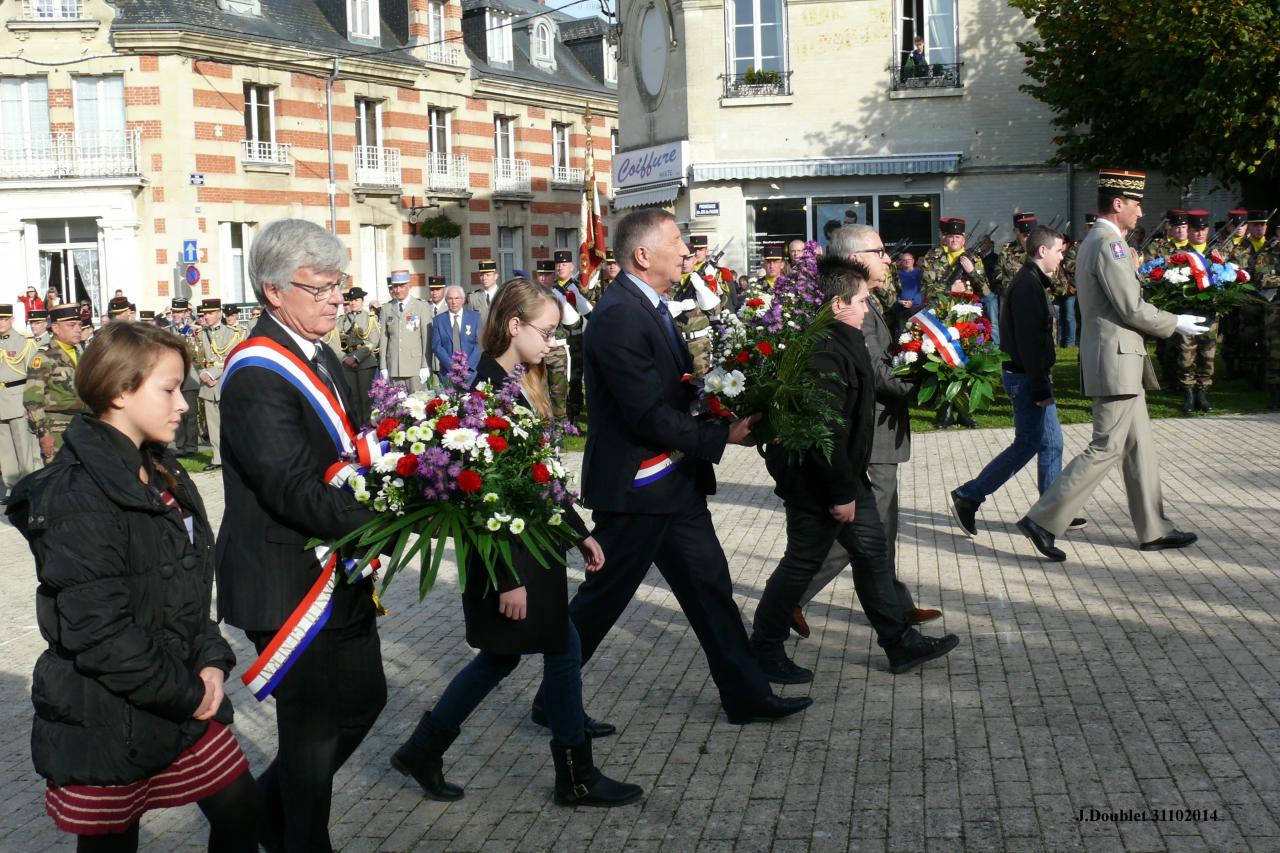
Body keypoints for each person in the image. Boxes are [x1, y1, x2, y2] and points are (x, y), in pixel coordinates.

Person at [529, 209, 812, 728]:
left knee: (711, 590)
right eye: (677, 242)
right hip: (640, 486)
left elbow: (671, 392)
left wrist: (722, 397)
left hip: (673, 484)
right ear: (643, 255)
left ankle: (747, 697)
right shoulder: (618, 315)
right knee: (600, 603)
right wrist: (718, 434)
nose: (686, 251)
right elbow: (644, 413)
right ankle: (554, 702)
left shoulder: (650, 306)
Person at [8, 320, 264, 853]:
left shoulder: (161, 467)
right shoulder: (77, 494)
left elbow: (189, 587)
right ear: (122, 392)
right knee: (111, 844)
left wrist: (212, 659)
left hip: (180, 691)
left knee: (242, 813)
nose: (184, 404)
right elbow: (98, 631)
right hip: (109, 714)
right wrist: (191, 693)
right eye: (168, 390)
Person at [391, 278, 643, 808]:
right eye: (546, 332)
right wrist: (508, 579)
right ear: (514, 326)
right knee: (553, 647)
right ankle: (574, 775)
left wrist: (580, 534)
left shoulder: (521, 382)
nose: (551, 342)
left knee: (514, 655)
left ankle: (424, 748)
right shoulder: (480, 390)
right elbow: (479, 498)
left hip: (534, 547)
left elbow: (540, 477)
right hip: (508, 555)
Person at [217, 219, 387, 852]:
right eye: (318, 288)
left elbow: (346, 453)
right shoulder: (258, 370)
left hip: (338, 563)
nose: (334, 300)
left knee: (365, 700)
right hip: (287, 576)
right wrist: (382, 523)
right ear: (273, 292)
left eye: (338, 286)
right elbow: (287, 484)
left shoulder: (322, 354)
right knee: (311, 736)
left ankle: (251, 826)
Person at [751, 254, 959, 681]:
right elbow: (821, 430)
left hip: (846, 477)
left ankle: (900, 644)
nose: (867, 308)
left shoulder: (842, 341)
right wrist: (840, 494)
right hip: (819, 484)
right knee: (800, 565)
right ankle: (763, 650)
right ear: (837, 305)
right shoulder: (824, 352)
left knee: (872, 552)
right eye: (861, 301)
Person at [1017, 169, 1207, 563]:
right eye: (1136, 203)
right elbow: (1130, 307)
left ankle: (1153, 529)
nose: (1140, 211)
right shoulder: (1109, 244)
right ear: (1118, 204)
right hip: (1116, 361)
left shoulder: (1103, 241)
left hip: (1119, 359)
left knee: (1139, 449)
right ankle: (1043, 519)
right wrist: (1176, 323)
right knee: (1106, 447)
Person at [784, 225, 944, 650]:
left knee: (880, 531)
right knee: (861, 535)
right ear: (856, 260)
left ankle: (896, 608)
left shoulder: (868, 301)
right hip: (870, 439)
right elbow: (876, 376)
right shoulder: (850, 307)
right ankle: (785, 602)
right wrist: (934, 383)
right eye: (880, 251)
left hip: (879, 436)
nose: (888, 258)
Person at [950, 226, 1087, 536]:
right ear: (1042, 252)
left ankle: (1050, 511)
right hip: (1027, 378)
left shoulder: (1033, 282)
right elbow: (1029, 342)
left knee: (1051, 444)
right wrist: (1040, 387)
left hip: (1030, 376)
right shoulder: (1027, 286)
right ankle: (969, 496)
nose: (1062, 256)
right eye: (1059, 251)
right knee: (1029, 443)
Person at [25, 305, 85, 463]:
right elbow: (32, 400)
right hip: (57, 429)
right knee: (59, 479)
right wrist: (44, 434)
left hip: (82, 424)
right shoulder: (44, 357)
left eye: (79, 324)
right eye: (71, 325)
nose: (78, 329)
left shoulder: (80, 352)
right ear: (56, 328)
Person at [1176, 210, 1219, 414]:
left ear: (1208, 230)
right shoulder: (1180, 255)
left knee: (1207, 354)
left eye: (1203, 229)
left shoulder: (1217, 254)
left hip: (1210, 312)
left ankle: (1202, 393)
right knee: (1186, 354)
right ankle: (1188, 394)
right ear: (1190, 231)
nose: (1200, 234)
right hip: (1187, 312)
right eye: (1195, 230)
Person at [195, 298, 246, 471]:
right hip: (208, 386)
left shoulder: (233, 333)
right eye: (204, 313)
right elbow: (197, 358)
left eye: (209, 313)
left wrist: (211, 373)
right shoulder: (201, 334)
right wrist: (202, 373)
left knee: (231, 423)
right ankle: (218, 459)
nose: (206, 316)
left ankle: (236, 457)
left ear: (219, 313)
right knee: (213, 424)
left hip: (225, 383)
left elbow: (230, 358)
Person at [0, 304, 40, 491]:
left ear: (12, 320)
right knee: (5, 450)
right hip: (1, 401)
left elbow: (33, 375)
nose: (1, 322)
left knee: (24, 449)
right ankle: (12, 487)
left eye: (4, 319)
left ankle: (27, 488)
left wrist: (30, 405)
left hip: (18, 400)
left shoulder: (24, 341)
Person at [379, 269, 432, 391]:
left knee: (418, 404)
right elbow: (384, 339)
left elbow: (426, 338)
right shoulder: (387, 308)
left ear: (409, 285)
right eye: (395, 286)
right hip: (394, 366)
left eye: (402, 286)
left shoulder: (421, 306)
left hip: (415, 367)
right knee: (397, 407)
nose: (398, 290)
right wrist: (383, 366)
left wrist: (425, 365)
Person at [339, 285, 381, 425]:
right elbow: (336, 342)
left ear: (362, 301)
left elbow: (373, 340)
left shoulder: (370, 318)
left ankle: (368, 428)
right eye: (351, 300)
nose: (353, 303)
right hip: (347, 364)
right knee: (353, 398)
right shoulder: (342, 320)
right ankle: (357, 428)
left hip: (365, 362)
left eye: (356, 299)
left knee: (366, 398)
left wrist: (356, 357)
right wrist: (345, 358)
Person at [168, 298, 202, 457]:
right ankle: (180, 446)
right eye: (174, 312)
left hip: (189, 377)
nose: (175, 315)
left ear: (186, 313)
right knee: (176, 413)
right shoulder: (167, 331)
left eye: (179, 312)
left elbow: (198, 354)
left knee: (190, 414)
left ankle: (192, 446)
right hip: (173, 378)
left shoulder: (194, 330)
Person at [431, 285, 482, 386]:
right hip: (448, 373)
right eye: (450, 298)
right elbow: (436, 346)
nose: (453, 302)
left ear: (463, 300)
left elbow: (480, 344)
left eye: (457, 298)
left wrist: (468, 366)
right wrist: (451, 365)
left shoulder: (475, 318)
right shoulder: (438, 320)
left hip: (471, 373)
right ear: (446, 300)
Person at [466, 258, 501, 335]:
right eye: (481, 275)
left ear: (496, 276)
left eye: (488, 275)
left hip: (500, 341)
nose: (484, 278)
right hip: (480, 342)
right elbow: (470, 325)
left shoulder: (503, 295)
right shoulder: (473, 298)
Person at [892, 251, 923, 331]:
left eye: (909, 259)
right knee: (902, 332)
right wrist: (899, 301)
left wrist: (914, 302)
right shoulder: (896, 275)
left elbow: (923, 289)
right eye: (904, 260)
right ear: (901, 262)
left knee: (917, 331)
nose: (907, 261)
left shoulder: (920, 273)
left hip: (917, 307)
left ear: (913, 261)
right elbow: (893, 290)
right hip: (901, 307)